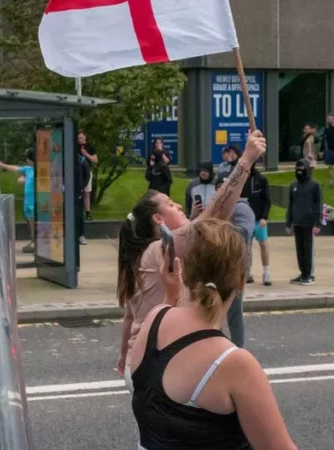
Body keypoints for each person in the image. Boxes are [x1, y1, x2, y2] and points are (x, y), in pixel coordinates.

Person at [128, 219, 297, 450]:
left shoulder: (154, 321)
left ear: (183, 269)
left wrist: (171, 294)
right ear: (240, 283)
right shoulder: (233, 363)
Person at [116, 129, 266, 387]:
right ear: (158, 220)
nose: (178, 206)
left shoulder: (140, 259)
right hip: (158, 366)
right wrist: (246, 161)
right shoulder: (159, 250)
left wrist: (123, 357)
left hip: (142, 364)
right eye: (171, 204)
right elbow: (215, 214)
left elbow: (130, 319)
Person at [214, 172, 254, 347]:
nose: (222, 193)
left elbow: (244, 232)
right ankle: (216, 345)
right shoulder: (214, 209)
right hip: (216, 263)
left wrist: (217, 230)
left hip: (235, 265)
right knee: (214, 308)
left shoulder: (241, 208)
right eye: (220, 189)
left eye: (225, 189)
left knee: (233, 310)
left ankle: (237, 348)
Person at [286, 159, 322, 285]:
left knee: (308, 249)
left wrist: (317, 223)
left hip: (309, 223)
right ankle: (303, 273)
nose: (299, 170)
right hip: (297, 223)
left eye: (302, 167)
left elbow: (318, 205)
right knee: (299, 250)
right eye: (297, 167)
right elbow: (290, 205)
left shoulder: (314, 186)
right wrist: (288, 223)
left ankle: (309, 275)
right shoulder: (293, 186)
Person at [0, 148, 36, 254]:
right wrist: (2, 165)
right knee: (31, 223)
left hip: (35, 201)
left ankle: (37, 242)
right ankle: (33, 241)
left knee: (36, 222)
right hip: (28, 201)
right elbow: (15, 168)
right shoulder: (28, 170)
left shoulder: (39, 170)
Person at [243, 162, 272, 285]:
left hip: (259, 219)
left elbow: (267, 200)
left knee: (263, 244)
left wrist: (264, 217)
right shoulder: (241, 179)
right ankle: (248, 272)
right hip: (246, 219)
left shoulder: (261, 179)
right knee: (246, 247)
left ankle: (266, 272)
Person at [78, 130, 97, 222]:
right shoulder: (74, 146)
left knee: (86, 193)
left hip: (87, 172)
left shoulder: (90, 147)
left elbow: (95, 160)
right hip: (77, 172)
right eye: (78, 138)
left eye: (81, 137)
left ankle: (87, 213)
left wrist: (86, 154)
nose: (79, 140)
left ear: (85, 137)